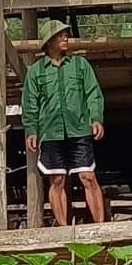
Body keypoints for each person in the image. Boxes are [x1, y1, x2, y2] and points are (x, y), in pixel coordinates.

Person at [21, 20, 106, 226]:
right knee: (57, 179)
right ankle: (63, 229)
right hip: (51, 133)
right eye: (60, 35)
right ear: (49, 41)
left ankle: (101, 225)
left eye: (65, 34)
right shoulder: (36, 71)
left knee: (87, 176)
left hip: (79, 129)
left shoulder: (80, 64)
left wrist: (96, 118)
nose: (65, 38)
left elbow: (93, 93)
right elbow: (30, 103)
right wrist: (32, 130)